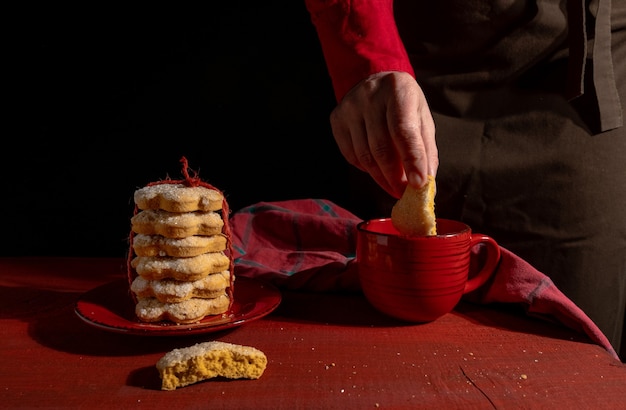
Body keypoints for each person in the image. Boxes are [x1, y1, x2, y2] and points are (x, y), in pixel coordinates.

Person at [304, 0, 625, 359]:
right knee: (395, 356)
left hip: (578, 75)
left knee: (572, 365)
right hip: (415, 67)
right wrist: (367, 57)